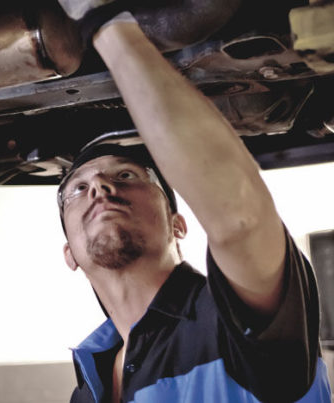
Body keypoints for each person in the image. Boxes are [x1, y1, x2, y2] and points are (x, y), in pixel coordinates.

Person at [54, 1, 332, 402]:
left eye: (126, 176)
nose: (99, 186)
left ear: (178, 224)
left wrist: (106, 24)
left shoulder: (229, 319)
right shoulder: (90, 379)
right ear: (70, 254)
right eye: (77, 189)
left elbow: (241, 219)